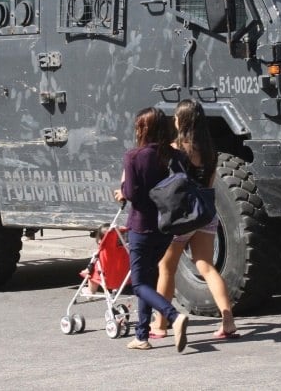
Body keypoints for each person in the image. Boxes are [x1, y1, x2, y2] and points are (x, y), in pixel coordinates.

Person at [152, 99, 239, 340]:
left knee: (166, 267)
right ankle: (228, 320)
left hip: (182, 216)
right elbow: (209, 184)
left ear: (183, 120)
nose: (174, 120)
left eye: (177, 116)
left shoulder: (175, 149)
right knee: (206, 266)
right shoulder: (211, 151)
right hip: (206, 213)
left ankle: (160, 323)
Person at [113, 107, 189, 352]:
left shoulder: (134, 156)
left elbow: (133, 194)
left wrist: (121, 192)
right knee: (148, 278)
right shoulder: (174, 156)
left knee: (138, 284)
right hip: (166, 227)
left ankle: (173, 316)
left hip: (141, 225)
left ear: (143, 129)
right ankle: (142, 335)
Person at [78, 223, 110, 296]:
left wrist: (88, 268)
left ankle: (91, 291)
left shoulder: (102, 253)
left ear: (100, 240)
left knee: (94, 269)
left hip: (105, 275)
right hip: (120, 277)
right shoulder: (121, 251)